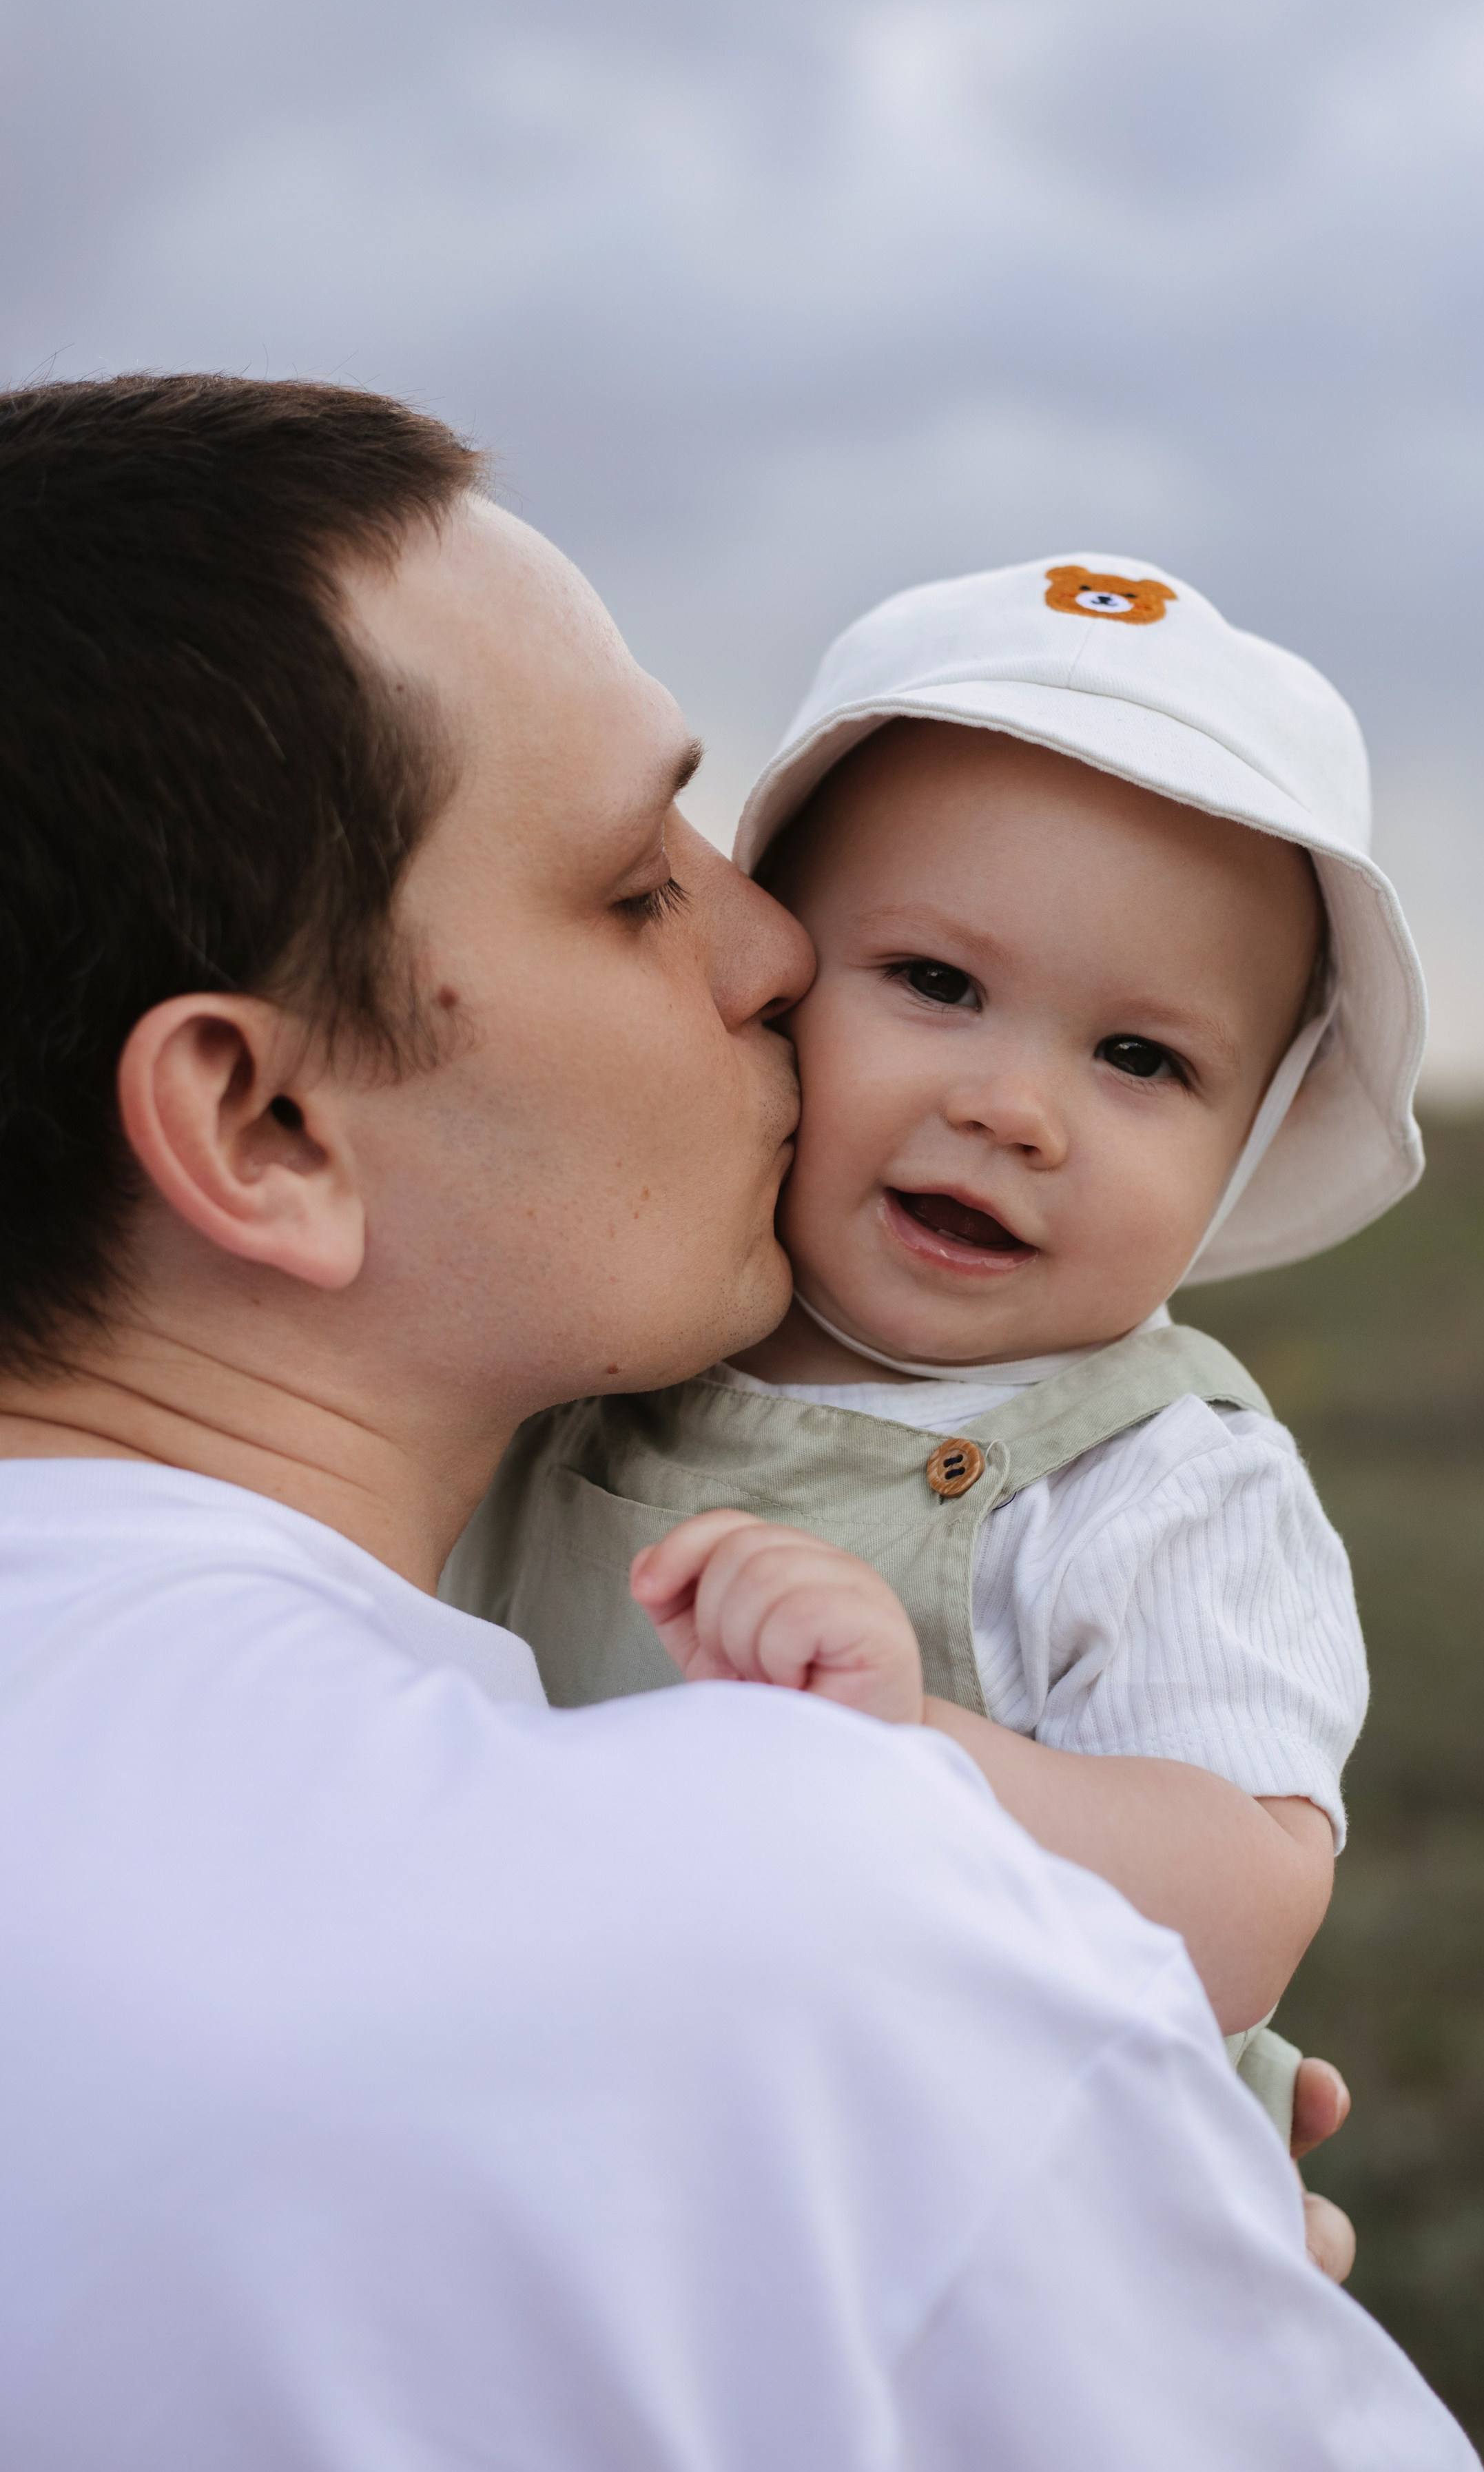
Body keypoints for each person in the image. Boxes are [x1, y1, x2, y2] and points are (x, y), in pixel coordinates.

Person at [0, 374, 1484, 2472]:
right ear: (264, 1124)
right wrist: (1070, 2224)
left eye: (1148, 1057)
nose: (773, 949)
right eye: (636, 884)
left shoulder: (1139, 1481)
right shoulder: (833, 1937)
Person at [447, 556, 1418, 2157]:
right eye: (935, 983)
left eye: (1138, 1057)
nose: (1011, 1110)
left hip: (964, 2194)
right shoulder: (608, 1329)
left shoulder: (1158, 1481)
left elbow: (1238, 1912)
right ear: (771, 975)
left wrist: (911, 1752)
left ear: (1248, 1140)